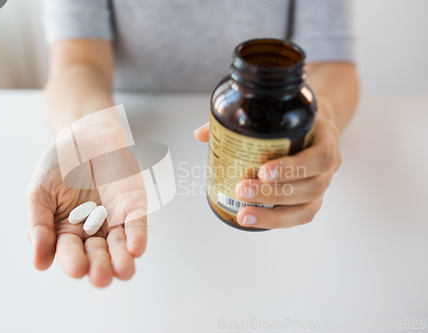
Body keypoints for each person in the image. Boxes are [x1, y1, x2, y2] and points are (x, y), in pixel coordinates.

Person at [27, 0, 359, 287]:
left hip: (277, 245)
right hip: (138, 124)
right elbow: (77, 63)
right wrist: (91, 130)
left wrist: (317, 118)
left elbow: (332, 63)